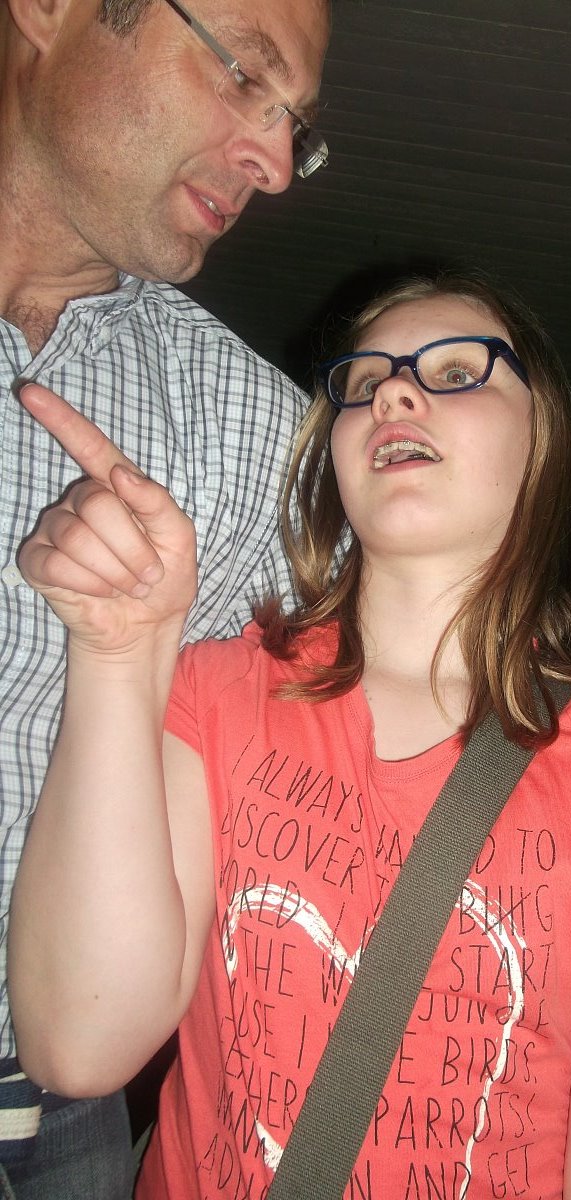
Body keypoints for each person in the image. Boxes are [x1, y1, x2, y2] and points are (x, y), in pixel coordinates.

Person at [9, 272, 571, 1199]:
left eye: (457, 372)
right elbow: (78, 1046)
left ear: (543, 445)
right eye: (364, 382)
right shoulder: (219, 692)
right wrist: (119, 650)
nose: (394, 393)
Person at [0, 0, 330, 1194]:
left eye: (295, 124)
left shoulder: (255, 428)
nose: (277, 163)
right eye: (245, 75)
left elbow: (411, 696)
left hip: (57, 1109)